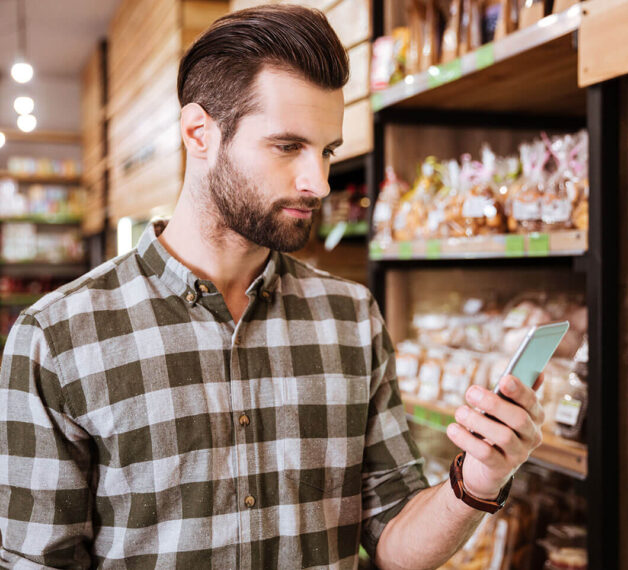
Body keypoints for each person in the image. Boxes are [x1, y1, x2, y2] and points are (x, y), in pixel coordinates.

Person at [0, 5, 545, 568]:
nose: (319, 181)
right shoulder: (57, 337)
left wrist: (476, 478)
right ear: (199, 132)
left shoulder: (351, 317)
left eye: (327, 150)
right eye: (288, 147)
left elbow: (393, 541)